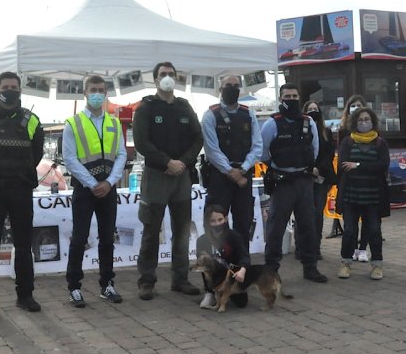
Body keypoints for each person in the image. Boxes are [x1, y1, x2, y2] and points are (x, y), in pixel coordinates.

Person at [0, 72, 45, 316]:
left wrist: (18, 174)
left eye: (14, 87)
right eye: (6, 86)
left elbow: (37, 154)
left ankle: (25, 295)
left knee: (24, 246)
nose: (10, 90)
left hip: (21, 190)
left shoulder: (32, 120)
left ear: (20, 90)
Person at [133, 62, 204, 300]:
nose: (167, 77)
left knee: (182, 231)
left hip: (182, 176)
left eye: (171, 74)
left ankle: (180, 279)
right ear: (154, 80)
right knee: (151, 230)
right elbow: (141, 143)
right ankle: (147, 282)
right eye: (163, 74)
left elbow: (198, 138)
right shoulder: (145, 107)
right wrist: (167, 163)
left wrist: (182, 162)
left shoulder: (185, 107)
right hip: (156, 177)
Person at [63, 75, 127, 307]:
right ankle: (74, 288)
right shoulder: (73, 123)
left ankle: (107, 284)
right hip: (84, 189)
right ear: (85, 93)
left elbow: (121, 154)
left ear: (106, 93)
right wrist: (92, 183)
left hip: (108, 189)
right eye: (93, 89)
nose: (97, 93)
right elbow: (69, 159)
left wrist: (109, 182)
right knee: (79, 239)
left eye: (101, 90)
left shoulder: (114, 122)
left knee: (107, 239)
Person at [260, 83, 327, 282]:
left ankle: (310, 267)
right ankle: (271, 270)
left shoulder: (309, 122)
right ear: (281, 99)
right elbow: (263, 152)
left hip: (304, 182)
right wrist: (278, 168)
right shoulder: (272, 123)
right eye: (287, 96)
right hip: (282, 183)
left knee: (308, 226)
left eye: (294, 95)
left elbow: (314, 150)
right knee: (275, 228)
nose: (291, 99)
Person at [202, 75, 262, 251]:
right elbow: (212, 150)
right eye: (228, 85)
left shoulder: (248, 113)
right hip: (219, 178)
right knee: (217, 224)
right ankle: (219, 265)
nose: (232, 88)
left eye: (236, 86)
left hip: (244, 175)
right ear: (220, 89)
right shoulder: (210, 115)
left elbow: (257, 146)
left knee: (244, 223)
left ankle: (242, 266)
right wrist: (231, 172)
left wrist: (242, 170)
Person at [336, 107, 390, 280]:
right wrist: (366, 167)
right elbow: (343, 166)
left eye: (367, 119)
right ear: (354, 123)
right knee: (350, 230)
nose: (364, 123)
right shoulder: (347, 142)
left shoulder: (380, 143)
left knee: (374, 230)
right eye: (360, 120)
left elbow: (382, 165)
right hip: (351, 195)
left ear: (373, 122)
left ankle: (377, 265)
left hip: (374, 196)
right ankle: (345, 263)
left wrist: (358, 165)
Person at [195, 205, 253, 309]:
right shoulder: (202, 240)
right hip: (214, 274)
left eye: (220, 220)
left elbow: (244, 256)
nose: (217, 224)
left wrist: (242, 270)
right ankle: (210, 292)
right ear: (207, 222)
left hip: (232, 272)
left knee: (242, 303)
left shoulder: (234, 236)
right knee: (205, 265)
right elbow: (201, 263)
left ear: (225, 219)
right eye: (213, 221)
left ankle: (228, 291)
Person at [302, 102, 338, 257]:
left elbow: (329, 153)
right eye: (309, 110)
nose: (312, 111)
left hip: (322, 177)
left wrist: (318, 169)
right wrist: (310, 169)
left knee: (317, 213)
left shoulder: (326, 132)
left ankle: (315, 247)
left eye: (315, 109)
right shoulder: (300, 130)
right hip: (304, 176)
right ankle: (302, 247)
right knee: (304, 213)